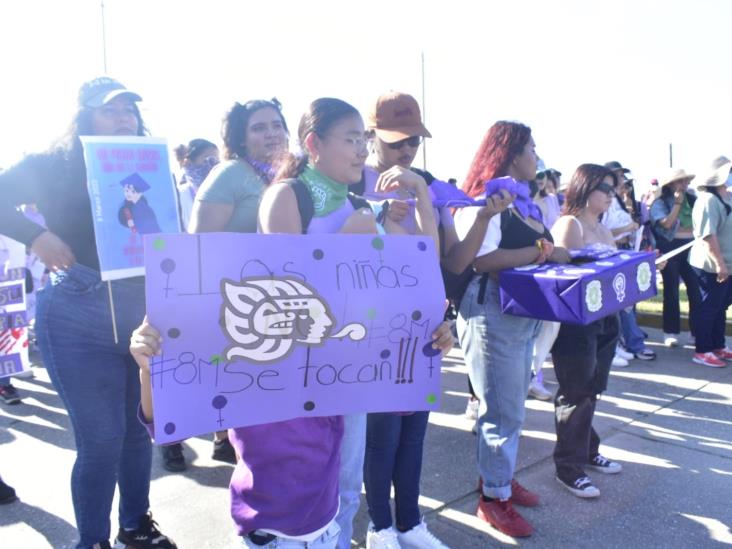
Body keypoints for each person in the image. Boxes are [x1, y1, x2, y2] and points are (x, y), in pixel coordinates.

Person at [0, 76, 176, 549]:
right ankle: (93, 541)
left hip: (142, 309)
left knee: (138, 433)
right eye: (110, 110)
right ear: (85, 116)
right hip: (77, 309)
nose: (123, 118)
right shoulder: (53, 163)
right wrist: (33, 235)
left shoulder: (149, 164)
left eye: (129, 110)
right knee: (100, 440)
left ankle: (136, 526)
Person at [260, 97, 440, 549]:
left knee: (345, 491)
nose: (362, 150)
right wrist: (347, 241)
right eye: (350, 139)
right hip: (300, 382)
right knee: (301, 498)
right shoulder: (288, 197)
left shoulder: (366, 206)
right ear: (313, 144)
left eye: (364, 139)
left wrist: (420, 196)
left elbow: (423, 267)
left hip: (355, 373)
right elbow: (287, 301)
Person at [359, 90, 475, 549]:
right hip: (373, 326)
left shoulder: (422, 183)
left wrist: (422, 193)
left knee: (413, 433)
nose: (405, 151)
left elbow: (436, 254)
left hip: (424, 321)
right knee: (381, 435)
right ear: (371, 137)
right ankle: (379, 525)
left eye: (413, 142)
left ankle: (410, 522)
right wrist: (381, 212)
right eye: (395, 141)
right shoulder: (354, 182)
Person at [455, 121, 570, 538]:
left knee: (511, 407)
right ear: (510, 154)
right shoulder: (485, 201)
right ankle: (493, 500)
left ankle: (496, 479)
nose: (537, 156)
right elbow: (482, 261)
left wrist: (547, 253)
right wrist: (544, 252)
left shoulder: (524, 202)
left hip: (520, 312)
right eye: (531, 148)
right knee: (501, 412)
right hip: (491, 311)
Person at [188, 99, 290, 465]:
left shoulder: (292, 174)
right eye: (259, 127)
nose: (271, 133)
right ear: (241, 138)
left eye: (276, 124)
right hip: (237, 313)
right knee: (252, 424)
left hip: (280, 313)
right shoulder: (229, 174)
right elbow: (199, 244)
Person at [549, 164, 624, 498]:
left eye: (613, 190)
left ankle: (587, 449)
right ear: (585, 187)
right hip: (577, 322)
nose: (611, 196)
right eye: (605, 189)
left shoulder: (603, 228)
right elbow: (563, 276)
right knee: (575, 390)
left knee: (592, 388)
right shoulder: (570, 224)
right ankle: (568, 467)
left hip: (606, 316)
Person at [603, 161, 656, 363]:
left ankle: (624, 342)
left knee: (627, 301)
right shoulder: (603, 200)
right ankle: (630, 343)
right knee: (620, 301)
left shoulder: (617, 198)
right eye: (617, 174)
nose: (622, 178)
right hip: (613, 250)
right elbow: (602, 230)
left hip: (624, 249)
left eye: (622, 175)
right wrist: (627, 228)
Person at [688, 156, 732, 368]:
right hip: (711, 265)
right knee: (708, 307)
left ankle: (718, 345)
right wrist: (720, 264)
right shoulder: (708, 200)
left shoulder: (725, 197)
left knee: (720, 306)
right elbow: (708, 235)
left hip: (725, 264)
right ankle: (703, 350)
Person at [649, 169, 700, 347]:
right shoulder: (660, 203)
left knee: (695, 291)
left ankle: (697, 332)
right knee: (671, 291)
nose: (684, 185)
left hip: (691, 249)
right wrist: (677, 204)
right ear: (670, 184)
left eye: (686, 181)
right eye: (680, 181)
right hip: (670, 250)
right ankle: (670, 332)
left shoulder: (693, 200)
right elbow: (666, 224)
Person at [173, 138, 219, 228]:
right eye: (208, 159)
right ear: (188, 163)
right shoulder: (179, 195)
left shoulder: (222, 195)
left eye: (217, 161)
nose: (214, 165)